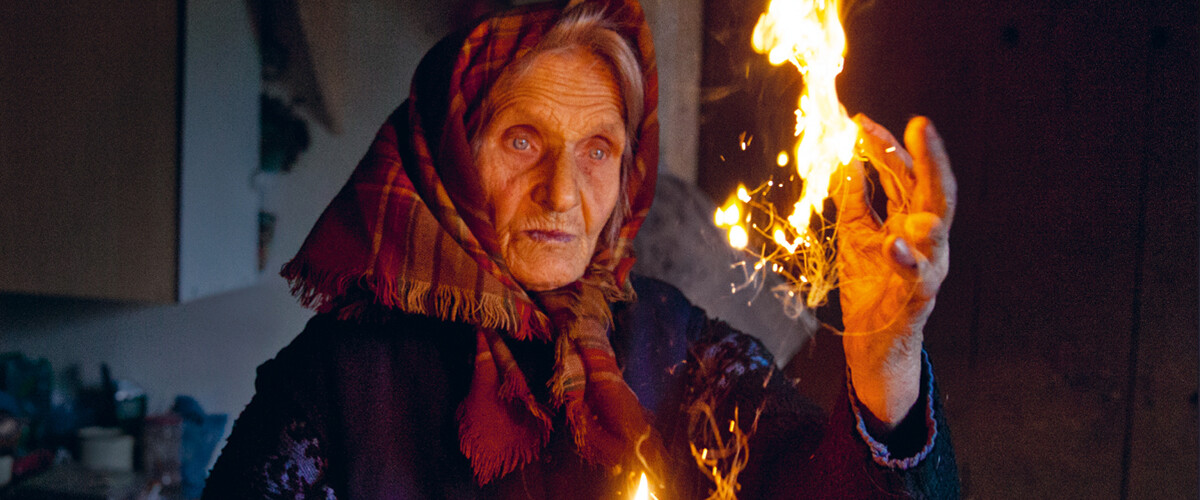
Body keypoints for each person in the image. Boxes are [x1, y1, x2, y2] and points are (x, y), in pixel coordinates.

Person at [203, 0, 959, 497]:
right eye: (523, 139)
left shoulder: (676, 349)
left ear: (629, 173)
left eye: (598, 149)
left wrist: (885, 362)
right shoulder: (335, 382)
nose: (563, 193)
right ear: (450, 158)